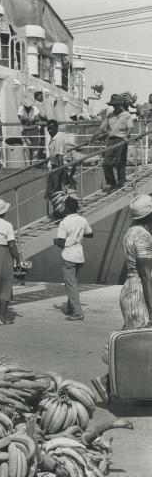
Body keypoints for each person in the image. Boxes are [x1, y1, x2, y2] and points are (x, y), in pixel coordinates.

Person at [92, 195, 152, 402]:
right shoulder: (143, 235)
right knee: (139, 343)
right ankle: (106, 381)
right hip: (139, 291)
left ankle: (142, 390)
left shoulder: (131, 232)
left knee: (137, 339)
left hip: (132, 288)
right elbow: (146, 275)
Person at [54, 197, 93, 321]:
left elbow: (61, 242)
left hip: (68, 255)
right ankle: (71, 308)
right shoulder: (82, 220)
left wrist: (55, 241)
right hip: (79, 255)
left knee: (70, 285)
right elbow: (90, 234)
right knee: (73, 283)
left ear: (66, 208)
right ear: (76, 208)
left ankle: (78, 313)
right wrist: (79, 233)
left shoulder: (64, 222)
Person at [90, 94, 133, 193]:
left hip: (121, 140)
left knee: (120, 162)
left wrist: (126, 137)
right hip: (111, 140)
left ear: (120, 104)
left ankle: (121, 182)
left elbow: (130, 128)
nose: (115, 107)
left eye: (117, 105)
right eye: (114, 105)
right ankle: (111, 183)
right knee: (106, 163)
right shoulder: (109, 116)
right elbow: (101, 129)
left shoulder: (126, 115)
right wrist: (92, 137)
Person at [46, 120, 76, 208]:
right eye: (48, 129)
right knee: (52, 192)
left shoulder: (58, 138)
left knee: (57, 192)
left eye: (52, 128)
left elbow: (60, 156)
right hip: (55, 166)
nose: (49, 131)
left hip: (59, 167)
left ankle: (61, 211)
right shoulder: (54, 137)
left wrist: (60, 174)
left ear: (56, 128)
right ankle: (59, 210)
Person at [17, 99, 40, 165]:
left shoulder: (35, 108)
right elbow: (21, 119)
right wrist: (29, 120)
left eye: (29, 107)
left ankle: (34, 165)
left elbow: (37, 118)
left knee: (35, 150)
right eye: (26, 107)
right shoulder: (21, 109)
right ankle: (27, 166)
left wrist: (31, 120)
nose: (28, 108)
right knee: (25, 148)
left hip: (34, 130)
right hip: (25, 131)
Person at [33, 91, 47, 161]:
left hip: (36, 126)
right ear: (37, 97)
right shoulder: (38, 104)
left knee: (39, 142)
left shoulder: (34, 104)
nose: (42, 97)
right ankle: (38, 159)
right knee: (41, 142)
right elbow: (43, 115)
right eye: (41, 96)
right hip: (40, 125)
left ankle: (37, 159)